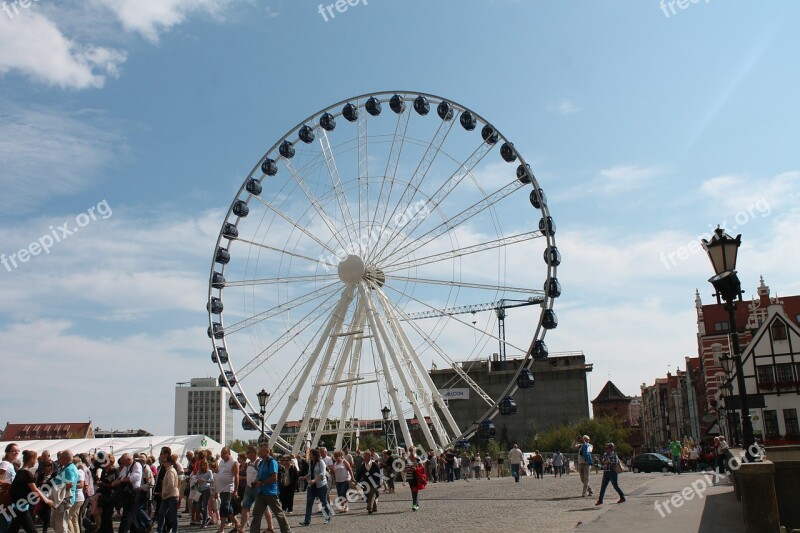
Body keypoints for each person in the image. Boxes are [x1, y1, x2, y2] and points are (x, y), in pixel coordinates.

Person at [249, 445, 290, 533]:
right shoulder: (261, 462)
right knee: (256, 514)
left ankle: (286, 531)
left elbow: (274, 477)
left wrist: (262, 482)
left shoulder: (272, 462)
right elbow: (260, 475)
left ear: (267, 452)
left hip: (270, 492)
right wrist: (256, 482)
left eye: (261, 451)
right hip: (261, 492)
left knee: (278, 513)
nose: (259, 453)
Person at [298, 449, 331, 527]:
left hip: (321, 485)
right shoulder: (311, 462)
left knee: (324, 502)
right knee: (309, 502)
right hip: (311, 486)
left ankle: (327, 517)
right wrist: (304, 477)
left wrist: (314, 480)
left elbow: (322, 473)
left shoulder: (321, 462)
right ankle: (307, 521)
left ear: (315, 455)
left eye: (311, 454)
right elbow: (310, 472)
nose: (309, 455)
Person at [214, 448, 240, 533]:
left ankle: (221, 529)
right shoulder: (221, 462)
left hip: (228, 488)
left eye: (224, 453)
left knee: (224, 507)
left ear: (229, 453)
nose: (222, 455)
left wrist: (236, 490)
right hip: (221, 488)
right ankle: (236, 523)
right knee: (228, 509)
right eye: (221, 454)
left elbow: (236, 477)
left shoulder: (233, 463)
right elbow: (219, 472)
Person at [52, 451, 78, 533]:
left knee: (62, 524)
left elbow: (69, 484)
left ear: (66, 458)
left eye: (60, 457)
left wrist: (57, 492)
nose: (58, 459)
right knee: (60, 523)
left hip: (64, 500)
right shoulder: (68, 468)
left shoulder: (69, 469)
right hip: (63, 500)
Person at [94, 454, 118, 533]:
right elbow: (101, 480)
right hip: (103, 496)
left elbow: (113, 484)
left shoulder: (114, 471)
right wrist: (99, 482)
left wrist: (102, 484)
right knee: (104, 516)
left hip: (111, 496)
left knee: (107, 517)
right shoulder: (104, 470)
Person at [2, 444, 22, 533]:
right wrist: (5, 484)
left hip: (10, 498)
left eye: (18, 451)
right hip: (4, 498)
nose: (16, 452)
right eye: (14, 451)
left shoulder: (10, 464)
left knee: (8, 521)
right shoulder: (5, 463)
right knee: (5, 522)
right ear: (7, 452)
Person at [156, 455, 178, 533]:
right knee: (162, 513)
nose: (163, 463)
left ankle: (174, 530)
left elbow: (171, 485)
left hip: (171, 496)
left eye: (165, 461)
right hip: (167, 496)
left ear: (169, 462)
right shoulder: (169, 470)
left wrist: (164, 493)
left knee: (172, 515)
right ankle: (159, 530)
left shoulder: (171, 471)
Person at [354, 451, 380, 515]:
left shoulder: (374, 465)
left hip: (374, 482)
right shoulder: (363, 466)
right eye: (363, 456)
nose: (363, 458)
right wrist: (356, 481)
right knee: (367, 495)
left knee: (371, 493)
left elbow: (379, 474)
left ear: (369, 457)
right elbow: (360, 474)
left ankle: (369, 508)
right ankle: (374, 506)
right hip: (366, 483)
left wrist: (378, 483)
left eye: (365, 456)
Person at [194, 460, 214, 528]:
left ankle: (204, 522)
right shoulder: (198, 472)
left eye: (204, 465)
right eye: (201, 465)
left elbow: (212, 480)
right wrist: (197, 481)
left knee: (204, 506)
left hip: (206, 489)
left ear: (206, 465)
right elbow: (195, 479)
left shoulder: (209, 471)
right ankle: (207, 516)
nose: (203, 466)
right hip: (199, 490)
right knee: (198, 506)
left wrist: (205, 481)